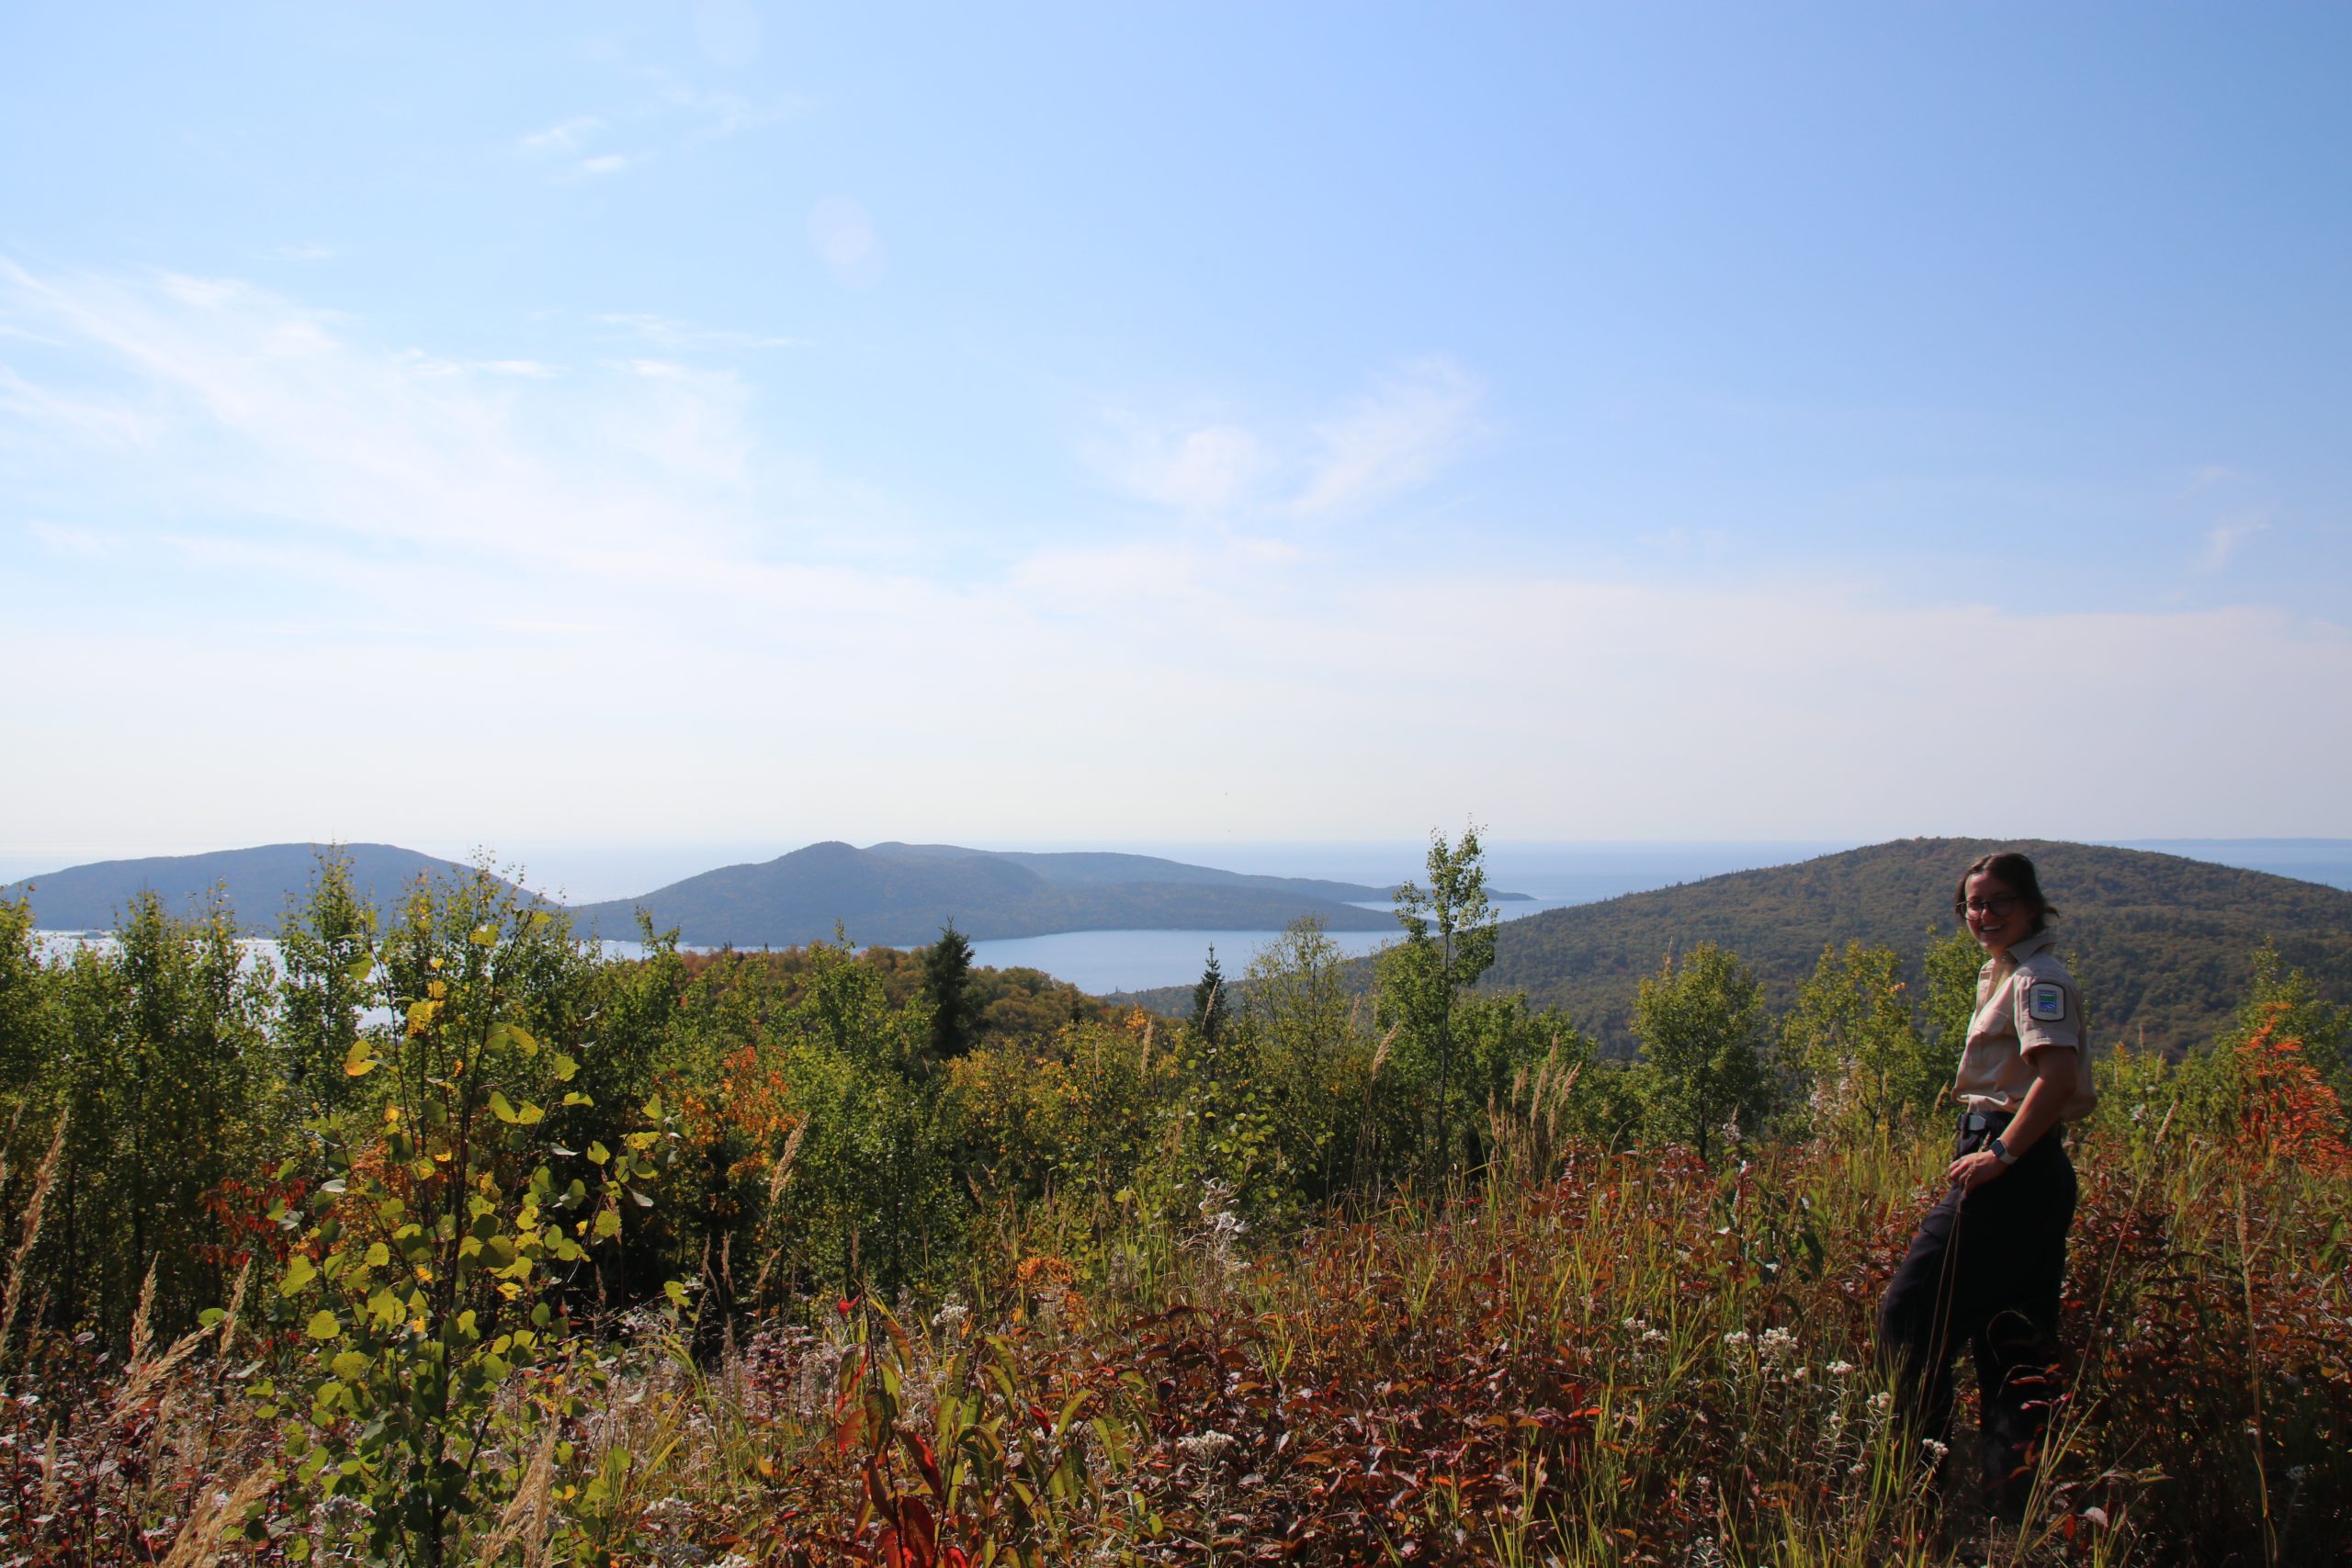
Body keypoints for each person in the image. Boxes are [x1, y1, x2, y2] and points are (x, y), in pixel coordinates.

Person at [1876, 850, 2098, 1520]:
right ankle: (2014, 1517)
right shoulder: (2002, 974)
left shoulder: (2036, 980)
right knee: (2013, 1343)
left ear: (2031, 904)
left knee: (1908, 1316)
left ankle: (1914, 1495)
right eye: (1973, 903)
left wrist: (1998, 1152)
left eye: (2000, 900)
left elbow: (2055, 1078)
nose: (1984, 913)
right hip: (2023, 1166)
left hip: (2013, 1165)